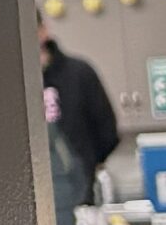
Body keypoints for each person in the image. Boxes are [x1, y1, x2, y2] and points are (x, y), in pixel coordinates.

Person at [41, 18, 120, 203]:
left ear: (43, 31)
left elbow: (107, 131)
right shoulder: (12, 86)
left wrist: (86, 165)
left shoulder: (78, 73)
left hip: (81, 192)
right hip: (37, 195)